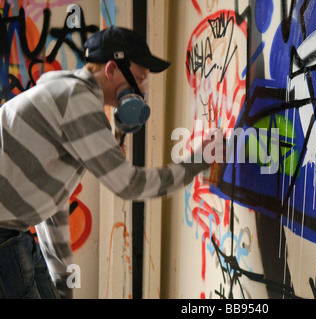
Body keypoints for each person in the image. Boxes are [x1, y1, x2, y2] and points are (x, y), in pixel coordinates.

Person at [0, 26, 215, 299]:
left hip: (12, 231)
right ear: (112, 69)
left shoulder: (66, 94)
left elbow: (52, 207)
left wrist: (63, 283)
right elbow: (129, 185)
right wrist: (198, 162)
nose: (142, 89)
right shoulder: (77, 100)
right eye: (139, 78)